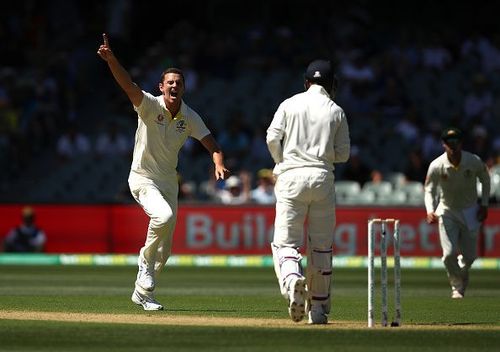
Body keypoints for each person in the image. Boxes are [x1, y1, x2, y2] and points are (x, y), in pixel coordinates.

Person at [97, 33, 229, 311]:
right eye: (170, 83)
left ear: (183, 88)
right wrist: (111, 60)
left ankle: (143, 294)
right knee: (164, 216)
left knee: (166, 250)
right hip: (143, 177)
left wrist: (217, 161)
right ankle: (143, 264)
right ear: (161, 86)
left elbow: (212, 143)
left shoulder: (189, 116)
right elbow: (127, 84)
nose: (174, 87)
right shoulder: (149, 105)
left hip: (168, 181)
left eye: (179, 83)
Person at [266, 59, 350, 324]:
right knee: (321, 247)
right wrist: (322, 155)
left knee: (286, 243)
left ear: (306, 82)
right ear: (331, 84)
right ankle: (318, 310)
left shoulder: (289, 104)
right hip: (323, 178)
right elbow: (344, 154)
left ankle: (292, 282)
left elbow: (271, 138)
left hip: (291, 176)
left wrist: (281, 161)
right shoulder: (336, 110)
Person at [424, 127, 490, 299]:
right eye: (448, 142)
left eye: (456, 142)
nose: (452, 146)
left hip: (470, 211)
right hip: (447, 211)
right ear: (443, 144)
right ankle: (457, 287)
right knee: (448, 255)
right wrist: (430, 210)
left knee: (470, 256)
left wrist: (484, 204)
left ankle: (462, 270)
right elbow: (429, 189)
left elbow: (485, 178)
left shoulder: (473, 161)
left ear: (461, 143)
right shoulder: (437, 165)